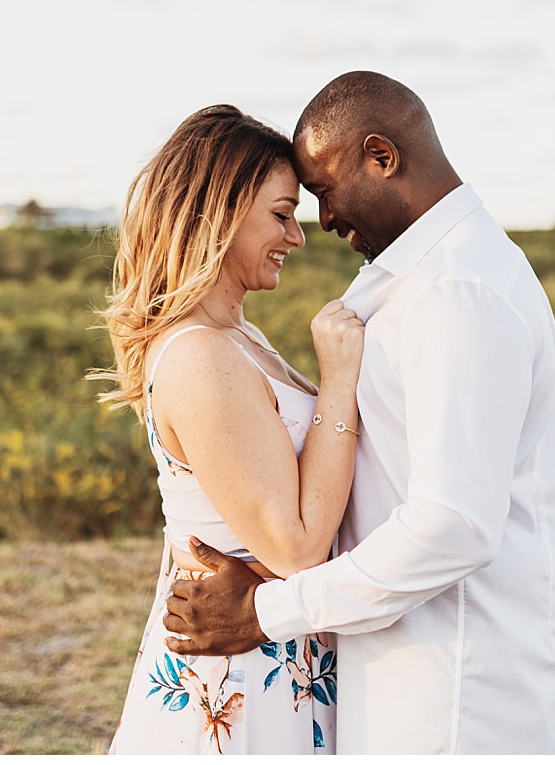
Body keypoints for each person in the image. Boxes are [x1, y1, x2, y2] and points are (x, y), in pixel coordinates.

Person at [161, 72, 555, 754]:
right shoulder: (418, 278)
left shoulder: (457, 291)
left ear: (382, 157)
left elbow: (454, 523)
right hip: (404, 667)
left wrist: (267, 608)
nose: (321, 222)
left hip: (459, 691)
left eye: (325, 193)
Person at [94, 104, 366, 754]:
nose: (297, 237)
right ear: (217, 212)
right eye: (280, 214)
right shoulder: (200, 355)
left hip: (274, 646)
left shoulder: (236, 336)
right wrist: (340, 377)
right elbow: (295, 546)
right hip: (241, 673)